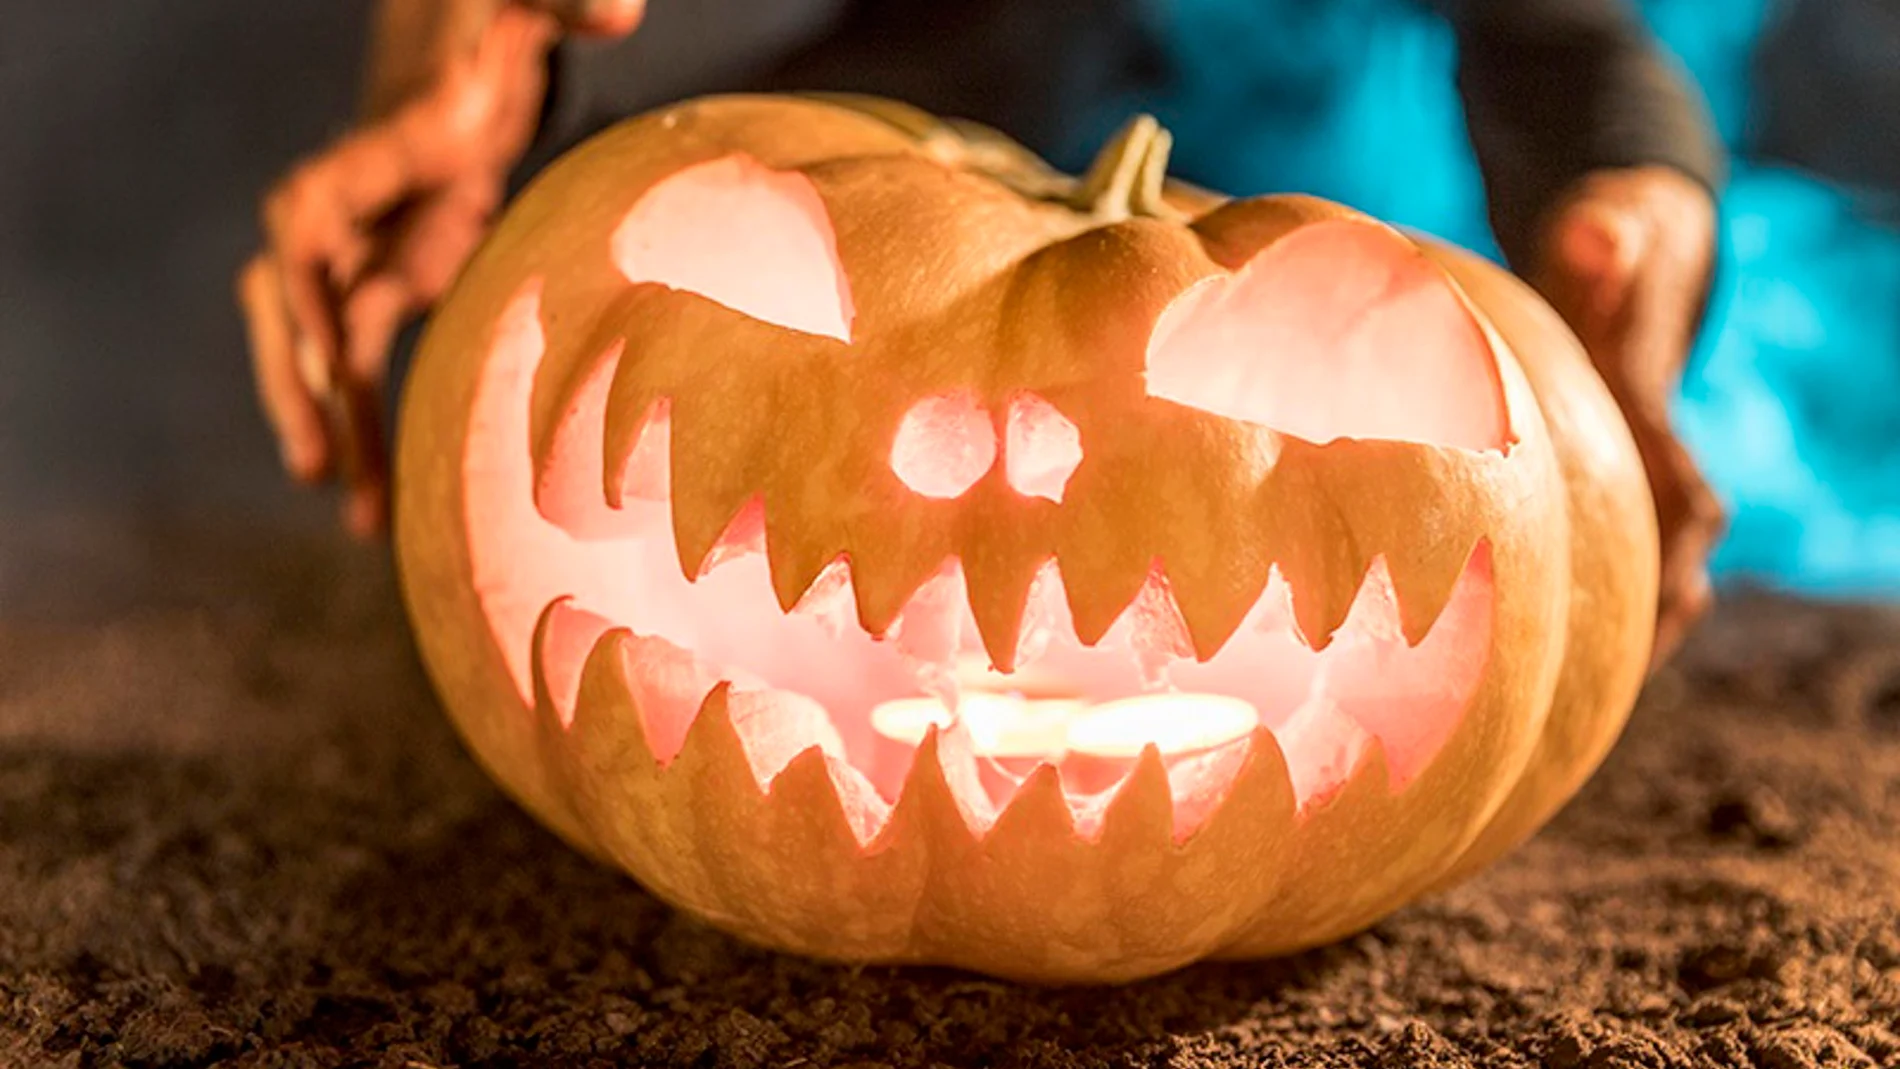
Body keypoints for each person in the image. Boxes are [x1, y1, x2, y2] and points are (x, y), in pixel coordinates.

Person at [239, 0, 1724, 662]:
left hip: (1302, 243)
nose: (1003, 456)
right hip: (915, 166)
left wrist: (1639, 210)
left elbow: (1569, 57)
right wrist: (482, 100)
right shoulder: (858, 125)